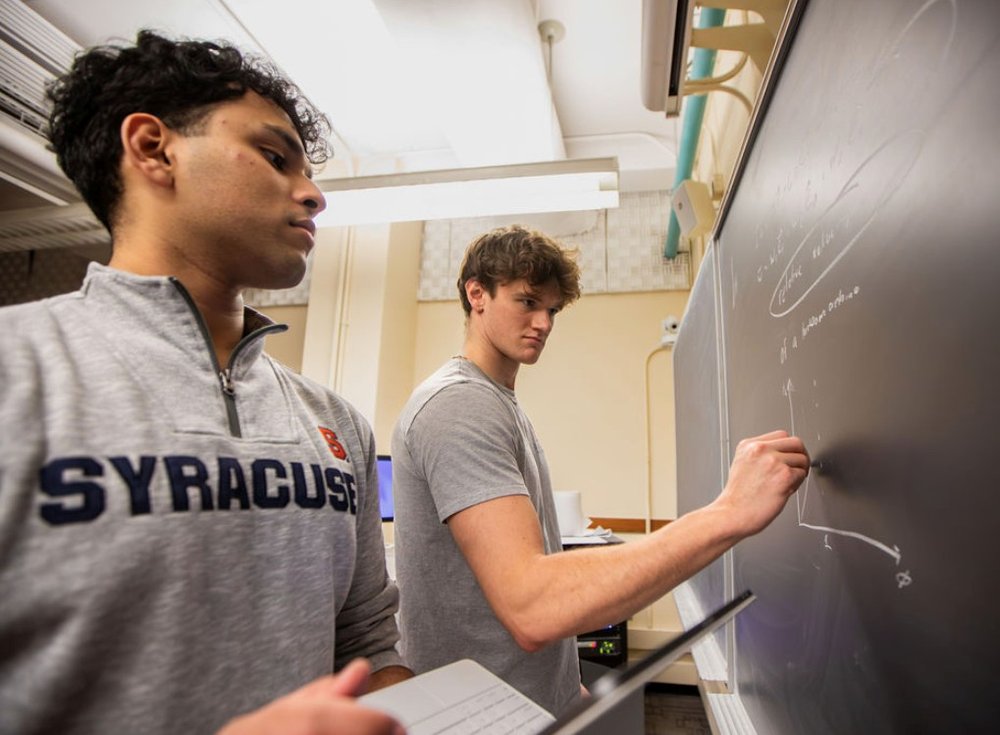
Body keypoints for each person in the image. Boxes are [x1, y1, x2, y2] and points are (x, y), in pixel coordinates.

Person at [0, 31, 410, 735]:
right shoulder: (18, 371)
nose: (312, 194)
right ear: (154, 150)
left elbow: (368, 643)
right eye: (275, 157)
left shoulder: (334, 422)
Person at [390, 224, 810, 715]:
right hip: (479, 719)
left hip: (531, 706)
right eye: (528, 302)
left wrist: (564, 688)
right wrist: (728, 513)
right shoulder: (459, 405)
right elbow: (532, 606)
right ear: (477, 294)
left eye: (552, 310)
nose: (544, 323)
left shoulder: (498, 403)